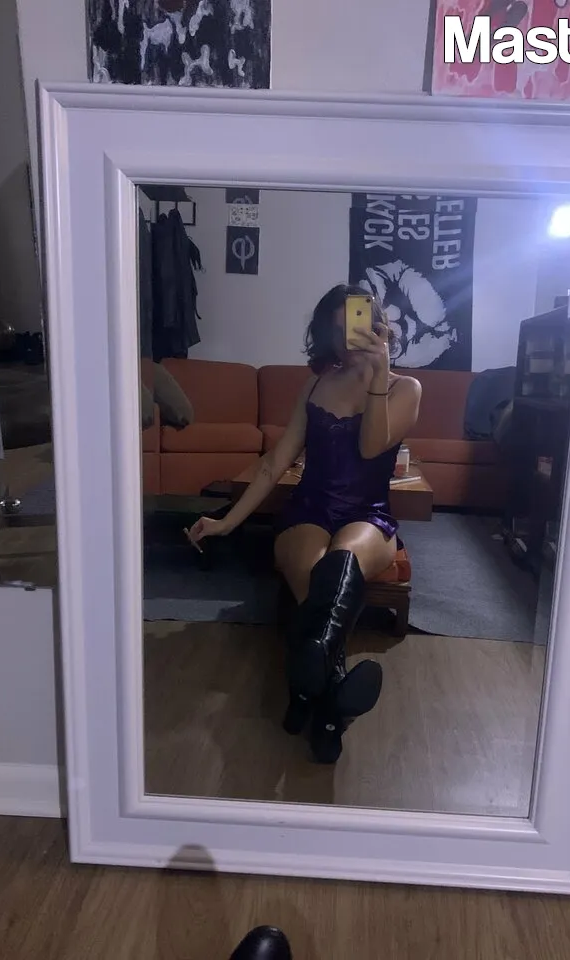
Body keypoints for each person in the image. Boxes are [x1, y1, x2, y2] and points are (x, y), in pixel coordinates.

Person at [187, 284, 422, 763]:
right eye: (335, 329)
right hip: (309, 509)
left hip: (368, 516)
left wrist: (378, 373)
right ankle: (332, 708)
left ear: (377, 323)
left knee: (340, 563)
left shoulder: (405, 388)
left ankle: (304, 691)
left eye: (353, 324)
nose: (345, 339)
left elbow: (371, 448)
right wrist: (227, 522)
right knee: (318, 580)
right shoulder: (315, 385)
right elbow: (276, 462)